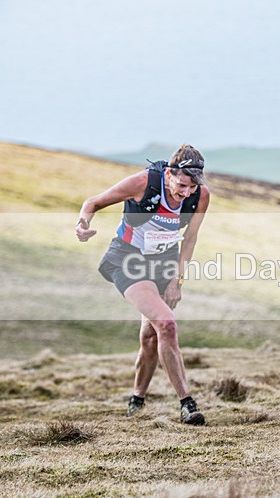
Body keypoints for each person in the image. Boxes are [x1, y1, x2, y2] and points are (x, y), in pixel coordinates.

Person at [76, 144, 211, 425]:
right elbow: (93, 202)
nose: (186, 193)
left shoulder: (200, 195)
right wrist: (82, 224)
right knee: (167, 323)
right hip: (128, 260)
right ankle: (187, 404)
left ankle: (137, 400)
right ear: (170, 174)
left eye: (191, 188)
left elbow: (190, 239)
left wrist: (178, 280)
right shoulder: (143, 183)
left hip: (165, 263)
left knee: (150, 338)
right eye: (182, 185)